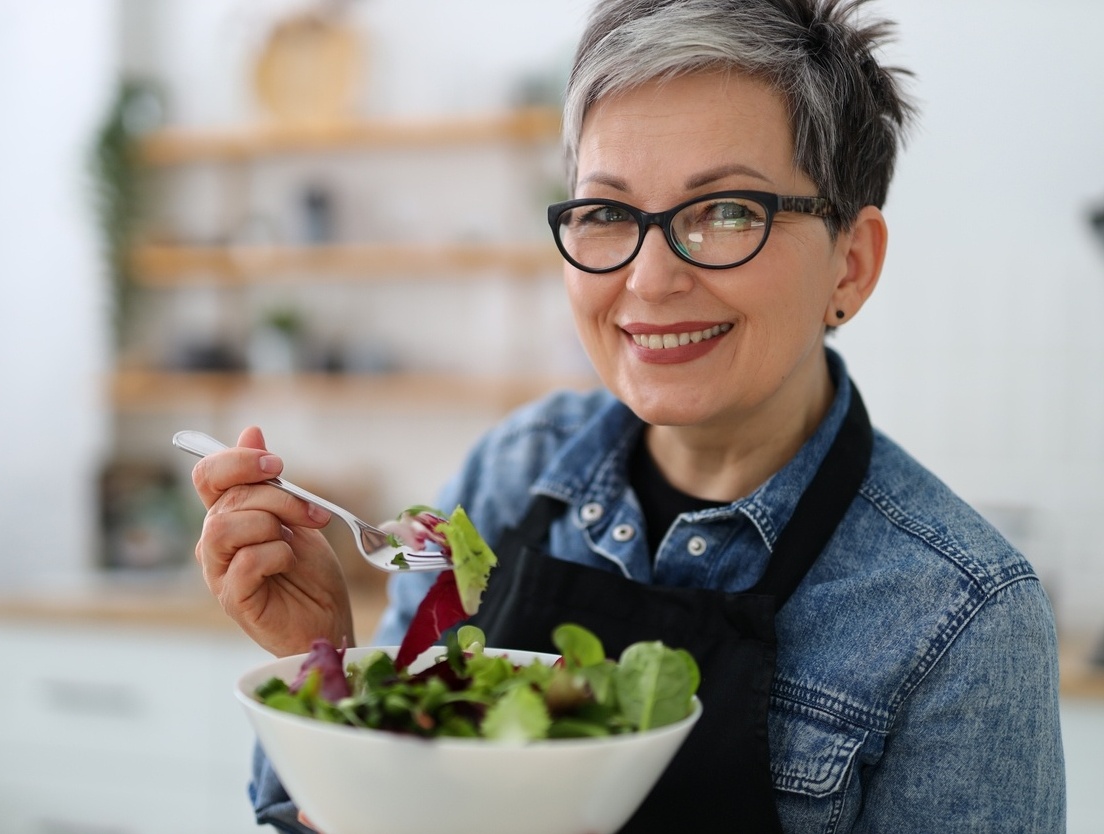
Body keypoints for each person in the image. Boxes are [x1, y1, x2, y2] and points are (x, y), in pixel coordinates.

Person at [190, 1, 1066, 831]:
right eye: (608, 213)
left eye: (727, 212)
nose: (649, 279)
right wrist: (326, 664)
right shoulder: (509, 473)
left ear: (852, 265)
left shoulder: (961, 615)